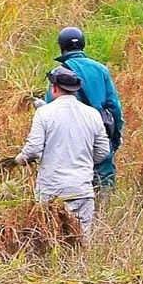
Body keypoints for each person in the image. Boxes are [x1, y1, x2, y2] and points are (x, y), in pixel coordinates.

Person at [10, 66, 112, 235]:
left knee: (51, 238)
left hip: (52, 191)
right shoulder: (93, 114)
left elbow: (33, 150)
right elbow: (103, 150)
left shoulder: (44, 113)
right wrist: (82, 160)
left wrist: (19, 159)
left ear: (55, 88)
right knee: (81, 240)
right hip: (81, 190)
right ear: (74, 90)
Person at [51, 27, 124, 193]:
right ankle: (104, 209)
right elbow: (114, 107)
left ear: (61, 46)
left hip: (70, 139)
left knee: (74, 185)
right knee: (103, 181)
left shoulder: (58, 74)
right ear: (83, 45)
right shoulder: (101, 69)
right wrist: (115, 138)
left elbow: (51, 110)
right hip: (100, 133)